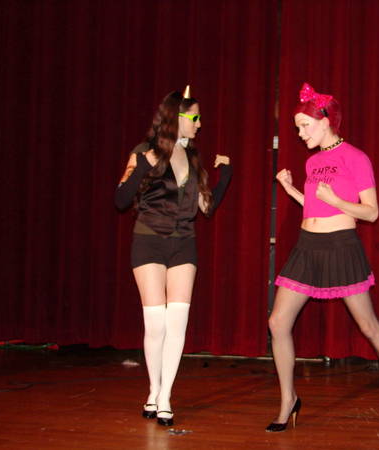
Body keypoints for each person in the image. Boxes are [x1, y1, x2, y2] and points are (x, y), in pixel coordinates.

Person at [266, 83, 379, 432]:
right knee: (277, 322)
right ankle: (288, 399)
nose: (300, 133)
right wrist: (290, 189)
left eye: (304, 126)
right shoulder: (312, 161)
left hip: (341, 246)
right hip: (307, 246)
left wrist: (336, 201)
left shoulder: (355, 158)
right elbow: (314, 205)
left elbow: (371, 212)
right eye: (297, 128)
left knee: (369, 326)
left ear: (325, 122)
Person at [115, 86, 232, 426]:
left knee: (177, 323)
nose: (199, 123)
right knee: (156, 324)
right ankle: (154, 389)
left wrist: (226, 177)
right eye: (194, 117)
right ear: (176, 117)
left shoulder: (192, 156)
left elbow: (206, 208)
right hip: (149, 241)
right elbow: (121, 200)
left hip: (184, 243)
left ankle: (165, 395)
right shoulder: (144, 151)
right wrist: (142, 167)